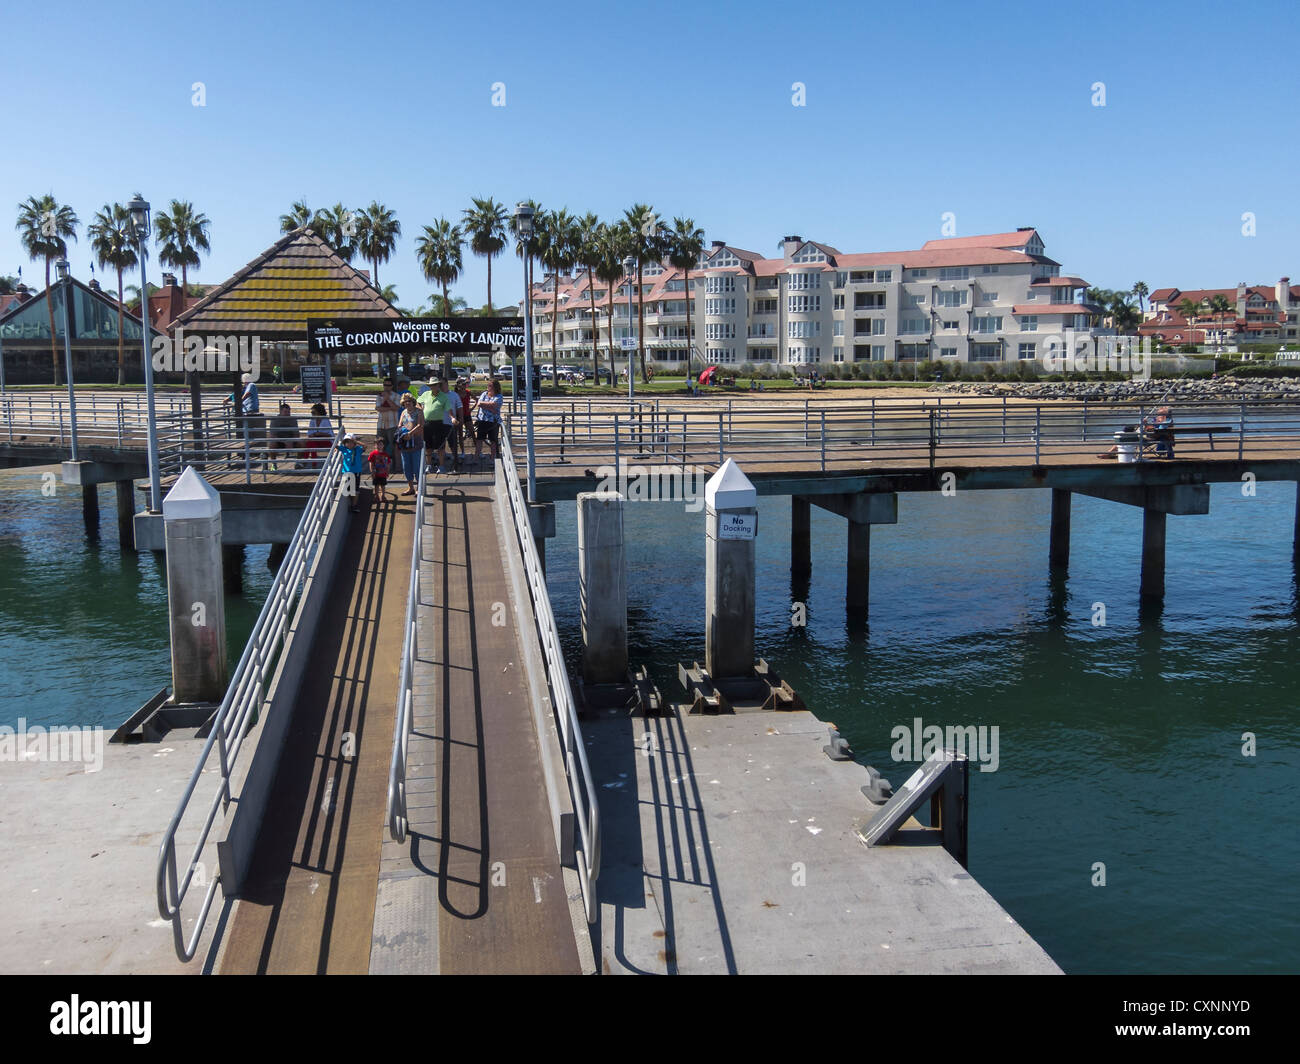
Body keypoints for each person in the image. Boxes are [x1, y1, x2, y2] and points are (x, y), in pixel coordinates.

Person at [419, 377, 453, 473]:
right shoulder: (425, 394)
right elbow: (417, 401)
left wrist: (453, 417)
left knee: (440, 447)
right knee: (428, 446)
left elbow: (449, 409)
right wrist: (421, 408)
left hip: (438, 423)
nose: (433, 387)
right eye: (431, 385)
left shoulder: (444, 396)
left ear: (438, 385)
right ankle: (429, 465)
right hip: (427, 423)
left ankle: (441, 466)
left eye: (435, 385)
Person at [395, 392, 425, 495]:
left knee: (416, 466)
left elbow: (420, 425)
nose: (407, 403)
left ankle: (419, 488)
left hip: (416, 442)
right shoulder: (403, 412)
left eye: (409, 401)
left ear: (413, 402)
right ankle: (410, 487)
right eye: (405, 402)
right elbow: (399, 424)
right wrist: (403, 432)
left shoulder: (419, 412)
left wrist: (410, 433)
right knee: (406, 466)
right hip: (405, 443)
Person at [473, 378, 503, 465]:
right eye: (488, 385)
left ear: (495, 387)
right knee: (479, 440)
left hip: (493, 421)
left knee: (493, 441)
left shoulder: (499, 396)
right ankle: (476, 458)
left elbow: (495, 404)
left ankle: (492, 458)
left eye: (490, 385)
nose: (488, 387)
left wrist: (485, 405)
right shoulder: (484, 394)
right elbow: (479, 404)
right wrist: (490, 407)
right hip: (482, 420)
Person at [338, 433, 367, 513]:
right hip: (346, 472)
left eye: (351, 442)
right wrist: (336, 449)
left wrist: (356, 441)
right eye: (347, 442)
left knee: (355, 490)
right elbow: (336, 446)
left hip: (356, 472)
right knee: (347, 490)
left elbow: (365, 446)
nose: (349, 444)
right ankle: (351, 502)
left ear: (354, 443)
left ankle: (354, 506)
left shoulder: (358, 449)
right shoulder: (344, 449)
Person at [375, 377, 401, 462]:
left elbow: (396, 408)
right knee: (380, 445)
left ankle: (396, 465)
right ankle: (381, 464)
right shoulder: (379, 396)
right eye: (385, 385)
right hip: (381, 424)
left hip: (392, 424)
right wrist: (390, 407)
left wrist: (387, 399)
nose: (386, 387)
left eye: (388, 385)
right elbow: (378, 408)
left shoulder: (397, 396)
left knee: (394, 445)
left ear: (392, 386)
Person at [267, 402, 299, 471]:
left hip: (291, 442)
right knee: (271, 444)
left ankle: (299, 463)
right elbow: (272, 436)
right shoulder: (275, 420)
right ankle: (273, 464)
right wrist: (284, 441)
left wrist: (291, 441)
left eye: (288, 412)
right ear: (280, 412)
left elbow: (297, 434)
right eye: (285, 412)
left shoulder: (293, 420)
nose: (287, 413)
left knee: (302, 443)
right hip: (279, 442)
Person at [306, 402, 333, 467]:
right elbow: (309, 433)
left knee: (310, 443)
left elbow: (330, 435)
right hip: (316, 440)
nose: (312, 414)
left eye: (313, 413)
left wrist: (319, 434)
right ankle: (311, 462)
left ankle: (307, 462)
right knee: (310, 443)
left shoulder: (325, 420)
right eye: (312, 413)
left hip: (326, 441)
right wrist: (315, 434)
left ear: (319, 412)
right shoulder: (312, 420)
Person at [368, 439, 393, 504]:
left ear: (383, 446)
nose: (379, 446)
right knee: (376, 485)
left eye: (381, 444)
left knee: (383, 485)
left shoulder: (385, 454)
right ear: (375, 445)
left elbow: (388, 464)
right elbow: (371, 463)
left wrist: (387, 471)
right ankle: (376, 496)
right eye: (377, 444)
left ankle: (383, 496)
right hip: (375, 473)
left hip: (383, 473)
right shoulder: (372, 454)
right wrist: (372, 471)